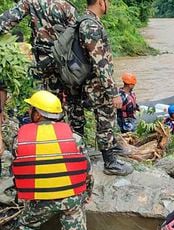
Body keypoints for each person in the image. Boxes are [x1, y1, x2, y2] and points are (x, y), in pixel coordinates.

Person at [11, 91, 93, 230]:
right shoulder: (75, 138)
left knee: (26, 223)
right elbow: (86, 171)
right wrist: (87, 193)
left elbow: (18, 172)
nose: (29, 110)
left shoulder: (20, 140)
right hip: (70, 198)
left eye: (31, 108)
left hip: (40, 199)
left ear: (37, 114)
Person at [67, 0, 133, 176]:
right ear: (100, 2)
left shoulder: (84, 21)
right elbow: (100, 63)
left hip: (85, 82)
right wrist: (113, 93)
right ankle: (110, 162)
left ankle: (80, 157)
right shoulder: (91, 26)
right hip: (95, 85)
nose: (109, 4)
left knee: (79, 119)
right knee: (106, 119)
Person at [0, 0, 77, 93]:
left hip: (41, 64)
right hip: (64, 65)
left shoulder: (32, 2)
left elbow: (6, 21)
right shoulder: (68, 7)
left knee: (38, 98)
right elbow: (77, 37)